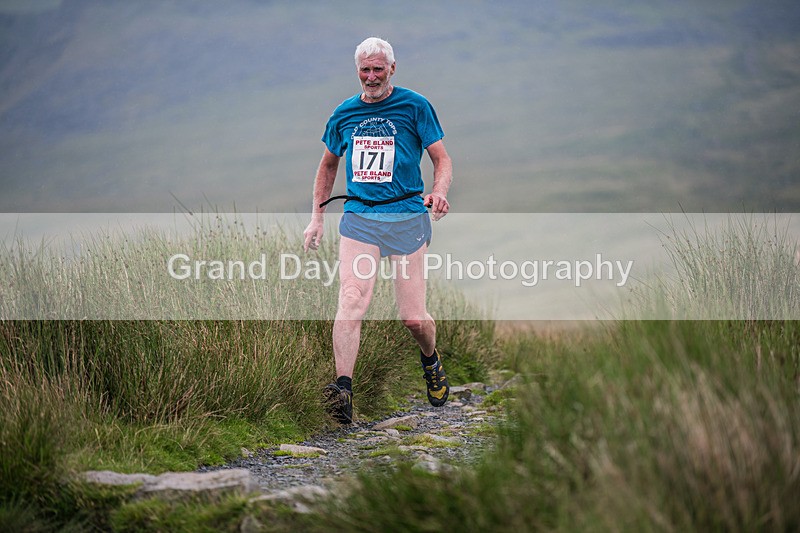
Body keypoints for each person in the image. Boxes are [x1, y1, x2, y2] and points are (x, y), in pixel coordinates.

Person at [303, 37, 453, 424]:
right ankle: (343, 392)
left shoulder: (415, 105)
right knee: (351, 300)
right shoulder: (344, 113)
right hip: (360, 218)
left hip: (406, 215)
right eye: (365, 70)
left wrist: (438, 193)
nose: (371, 77)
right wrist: (317, 217)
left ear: (392, 69)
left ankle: (431, 360)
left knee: (413, 319)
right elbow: (327, 166)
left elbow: (442, 158)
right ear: (357, 71)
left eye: (378, 69)